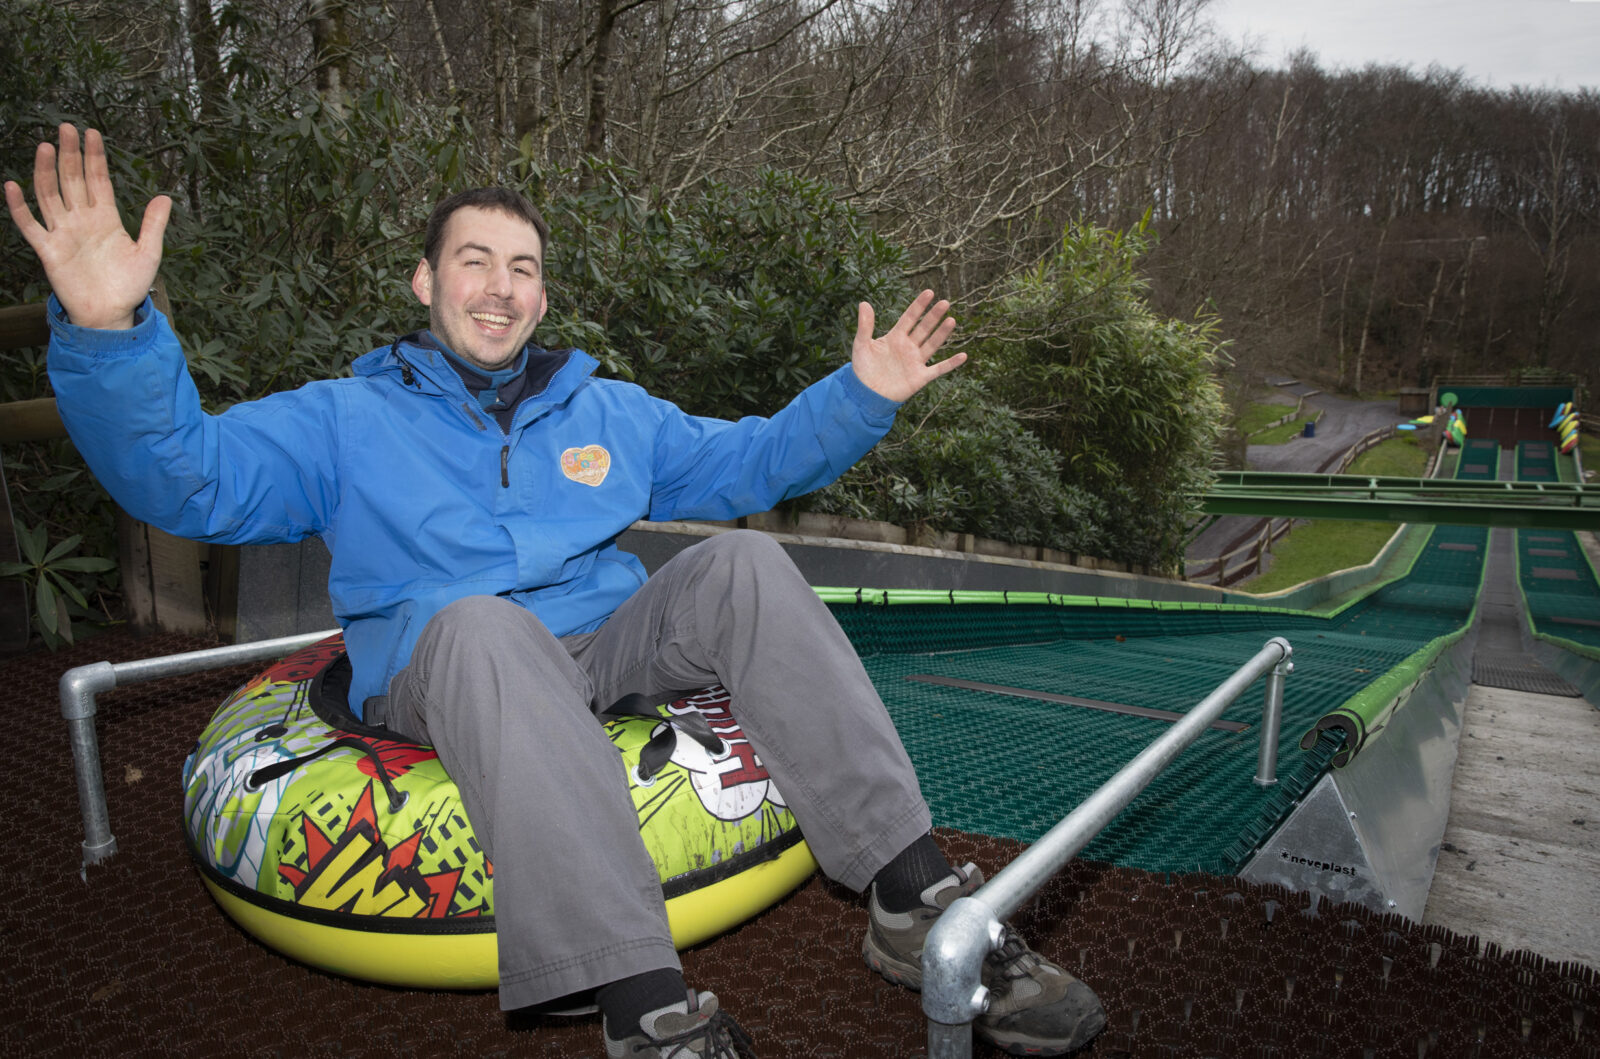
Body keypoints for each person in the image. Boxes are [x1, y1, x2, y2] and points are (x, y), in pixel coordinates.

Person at [7, 124, 1105, 1058]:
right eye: (474, 261)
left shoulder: (605, 409)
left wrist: (858, 397)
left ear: (542, 293)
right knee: (483, 626)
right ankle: (648, 1009)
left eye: (523, 267)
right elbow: (188, 479)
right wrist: (108, 336)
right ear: (426, 283)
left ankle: (913, 899)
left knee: (745, 563)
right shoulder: (341, 419)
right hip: (450, 664)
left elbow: (748, 465)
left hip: (600, 644)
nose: (500, 286)